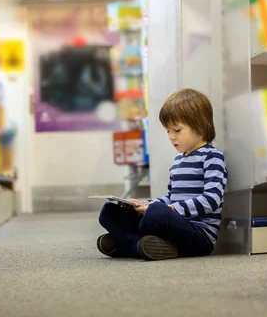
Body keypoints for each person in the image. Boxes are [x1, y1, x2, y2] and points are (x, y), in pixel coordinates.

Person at [97, 88, 228, 260]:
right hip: (172, 224)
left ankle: (129, 244)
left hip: (199, 235)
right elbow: (170, 198)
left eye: (177, 130)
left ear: (200, 125)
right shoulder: (178, 161)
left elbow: (212, 200)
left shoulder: (212, 157)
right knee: (109, 212)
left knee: (157, 214)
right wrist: (142, 204)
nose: (171, 137)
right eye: (168, 131)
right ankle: (147, 245)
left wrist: (168, 209)